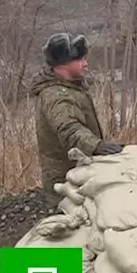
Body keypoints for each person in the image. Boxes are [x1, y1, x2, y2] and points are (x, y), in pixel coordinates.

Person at [32, 33, 122, 204]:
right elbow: (68, 128)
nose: (85, 63)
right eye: (79, 59)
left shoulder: (70, 86)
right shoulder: (56, 96)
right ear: (63, 64)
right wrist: (95, 145)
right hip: (66, 183)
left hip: (77, 175)